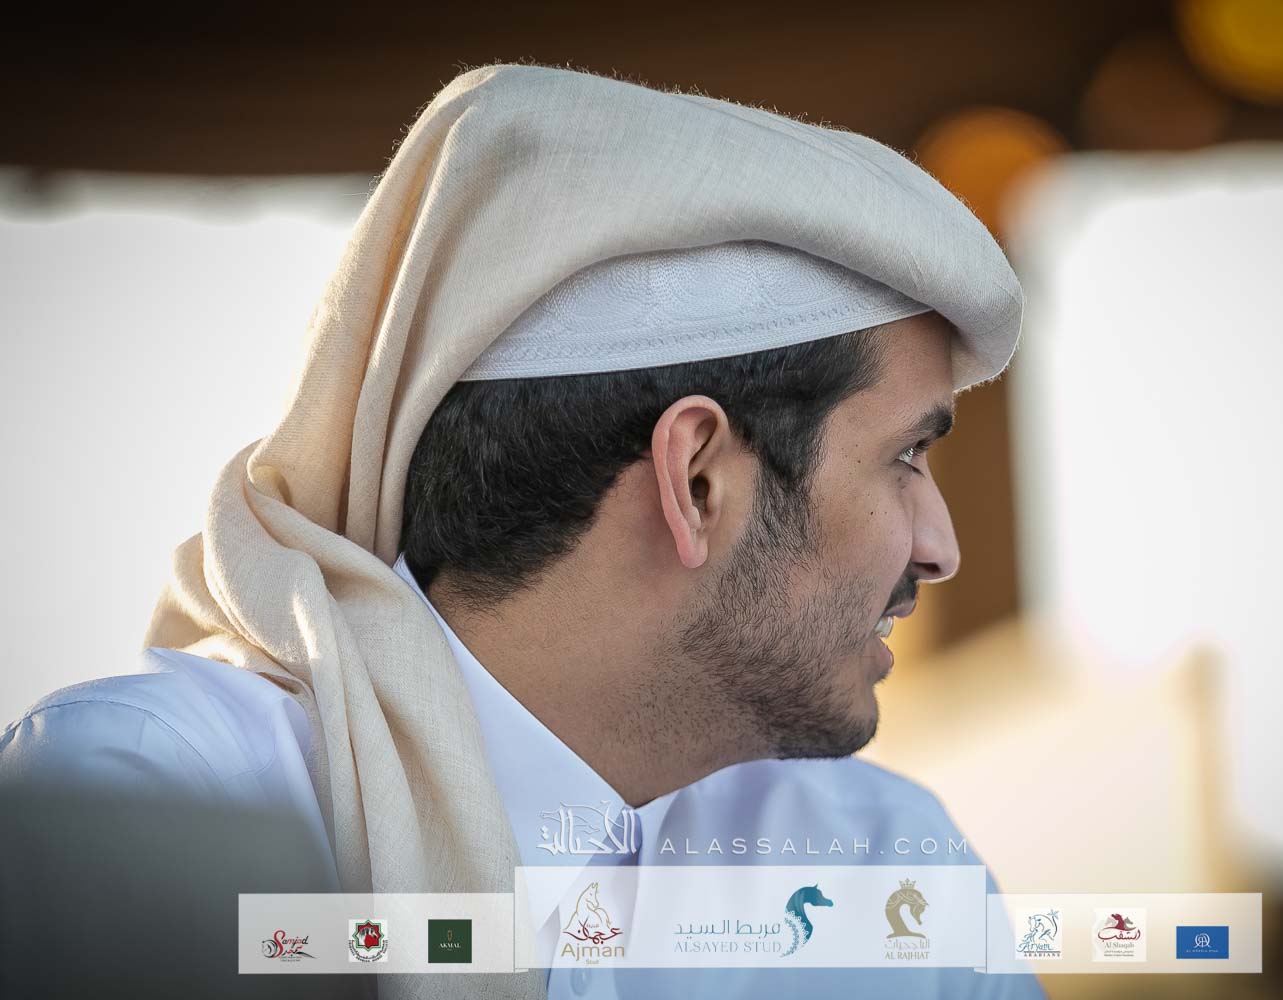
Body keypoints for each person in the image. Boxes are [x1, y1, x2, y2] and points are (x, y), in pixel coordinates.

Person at [0, 64, 1039, 999]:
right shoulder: (149, 797)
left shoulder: (881, 863)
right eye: (907, 455)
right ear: (697, 481)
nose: (939, 548)